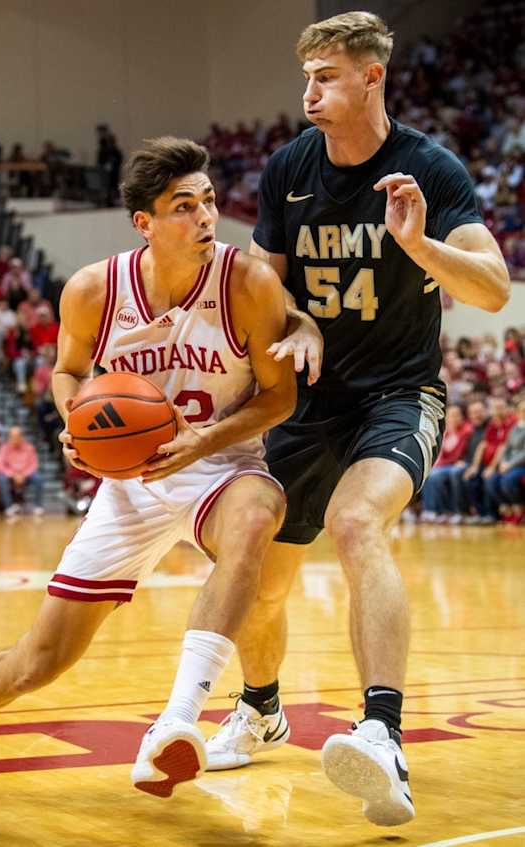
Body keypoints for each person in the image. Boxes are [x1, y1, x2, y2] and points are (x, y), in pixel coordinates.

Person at [0, 136, 295, 806]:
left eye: (208, 201)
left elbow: (280, 396)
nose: (206, 217)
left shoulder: (248, 283)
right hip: (131, 486)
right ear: (144, 222)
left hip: (219, 464)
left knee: (259, 513)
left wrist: (205, 440)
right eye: (184, 206)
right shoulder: (95, 290)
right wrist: (75, 422)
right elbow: (66, 371)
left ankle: (178, 719)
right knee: (39, 660)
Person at [206, 11, 509, 828]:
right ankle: (260, 704)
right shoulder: (288, 167)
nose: (309, 92)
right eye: (305, 76)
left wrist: (421, 247)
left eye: (326, 76)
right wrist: (295, 323)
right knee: (261, 574)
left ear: (372, 77)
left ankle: (382, 730)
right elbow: (264, 290)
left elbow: (492, 290)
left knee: (355, 520)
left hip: (398, 394)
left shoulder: (429, 168)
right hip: (308, 399)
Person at [0, 425, 44, 516]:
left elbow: (34, 464)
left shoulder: (29, 447)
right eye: (12, 436)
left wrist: (23, 475)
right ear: (9, 437)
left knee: (38, 478)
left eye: (17, 436)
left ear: (22, 437)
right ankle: (9, 507)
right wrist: (13, 475)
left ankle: (38, 506)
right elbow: (0, 464)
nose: (15, 439)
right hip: (10, 476)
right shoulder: (4, 448)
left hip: (26, 475)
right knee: (1, 478)